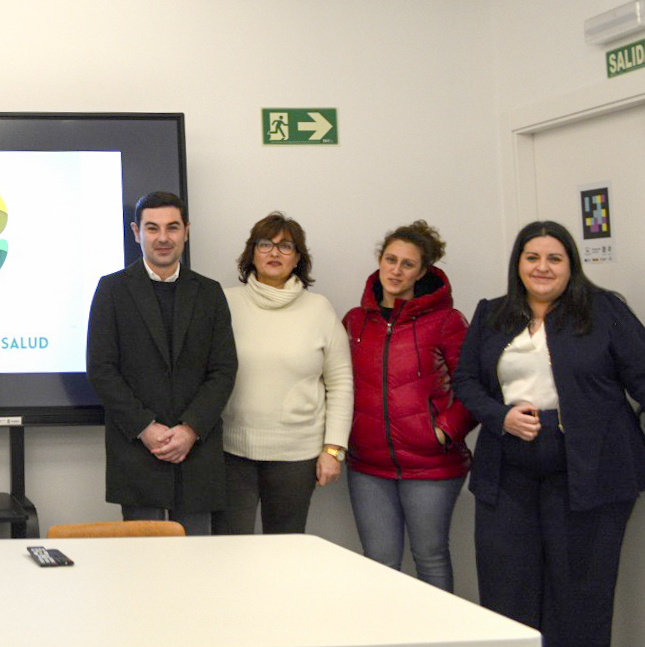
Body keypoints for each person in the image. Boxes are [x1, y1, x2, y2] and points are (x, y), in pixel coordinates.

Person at [454, 221, 645, 647]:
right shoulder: (492, 313)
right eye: (532, 257)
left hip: (590, 473)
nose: (542, 267)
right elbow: (465, 380)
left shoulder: (604, 311)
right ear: (518, 263)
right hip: (508, 471)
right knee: (507, 594)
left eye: (554, 258)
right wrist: (499, 415)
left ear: (571, 265)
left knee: (580, 597)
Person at [85, 191, 237, 535]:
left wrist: (191, 429)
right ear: (136, 232)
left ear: (186, 231)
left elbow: (223, 370)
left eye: (172, 227)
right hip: (138, 451)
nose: (163, 238)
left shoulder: (210, 294)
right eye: (152, 228)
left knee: (196, 568)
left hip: (196, 451)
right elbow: (101, 369)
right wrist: (145, 428)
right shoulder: (111, 291)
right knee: (143, 570)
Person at [342, 220, 474, 591]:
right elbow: (337, 385)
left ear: (423, 271)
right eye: (390, 260)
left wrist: (444, 432)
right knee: (379, 565)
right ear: (379, 261)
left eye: (407, 264)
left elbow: (474, 388)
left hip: (431, 465)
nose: (396, 271)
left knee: (430, 559)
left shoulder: (447, 321)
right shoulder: (355, 321)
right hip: (368, 467)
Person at [212, 212, 351, 535]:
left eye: (285, 246)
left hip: (297, 457)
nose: (274, 253)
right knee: (229, 551)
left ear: (298, 258)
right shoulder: (224, 303)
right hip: (232, 453)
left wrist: (333, 449)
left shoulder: (319, 309)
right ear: (252, 253)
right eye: (265, 244)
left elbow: (341, 383)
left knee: (284, 554)